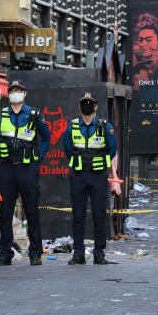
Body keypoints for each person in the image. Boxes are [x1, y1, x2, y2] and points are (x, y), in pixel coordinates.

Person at [0, 80, 51, 266]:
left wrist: (38, 159)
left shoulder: (34, 115)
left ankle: (35, 253)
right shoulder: (0, 116)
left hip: (27, 168)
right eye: (12, 90)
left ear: (25, 93)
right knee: (5, 213)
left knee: (31, 211)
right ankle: (5, 253)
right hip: (6, 169)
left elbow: (46, 137)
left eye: (19, 90)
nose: (15, 93)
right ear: (8, 94)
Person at [63, 92, 118, 265]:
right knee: (78, 215)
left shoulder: (104, 126)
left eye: (90, 103)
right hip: (78, 175)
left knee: (99, 214)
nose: (87, 105)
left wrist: (99, 163)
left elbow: (112, 149)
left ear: (95, 107)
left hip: (98, 176)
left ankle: (99, 253)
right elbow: (67, 148)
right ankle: (78, 253)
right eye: (84, 103)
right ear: (80, 107)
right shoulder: (72, 126)